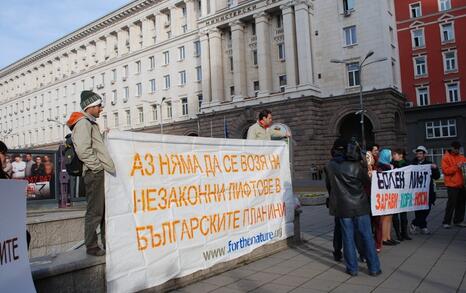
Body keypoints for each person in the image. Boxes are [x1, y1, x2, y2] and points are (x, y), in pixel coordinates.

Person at [66, 90, 115, 256]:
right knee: (95, 211)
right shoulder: (83, 123)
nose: (101, 109)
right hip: (95, 173)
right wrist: (97, 167)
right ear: (90, 107)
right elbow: (83, 149)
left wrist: (103, 135)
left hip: (98, 172)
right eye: (99, 106)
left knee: (103, 211)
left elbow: (93, 145)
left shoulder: (90, 123)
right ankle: (92, 246)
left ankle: (107, 244)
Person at [325, 138, 381, 277]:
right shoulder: (356, 165)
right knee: (367, 236)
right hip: (360, 206)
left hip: (343, 207)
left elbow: (329, 186)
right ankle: (374, 268)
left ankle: (352, 269)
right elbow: (367, 182)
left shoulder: (330, 166)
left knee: (347, 238)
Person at [410, 146, 440, 234]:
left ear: (424, 155)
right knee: (418, 210)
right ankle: (423, 226)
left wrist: (435, 169)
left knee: (427, 209)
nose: (418, 155)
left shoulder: (429, 164)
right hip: (416, 191)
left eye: (420, 153)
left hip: (427, 191)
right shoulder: (413, 164)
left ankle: (415, 223)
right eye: (417, 153)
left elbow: (437, 177)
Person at [376, 149, 399, 247]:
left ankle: (388, 236)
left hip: (390, 194)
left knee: (389, 217)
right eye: (389, 155)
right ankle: (384, 238)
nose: (391, 156)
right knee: (385, 218)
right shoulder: (381, 166)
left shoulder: (389, 165)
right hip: (384, 195)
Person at [441, 141, 466, 228]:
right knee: (451, 204)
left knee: (461, 203)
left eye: (458, 149)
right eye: (456, 149)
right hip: (451, 185)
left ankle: (458, 221)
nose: (457, 150)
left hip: (461, 184)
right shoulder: (446, 157)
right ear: (452, 148)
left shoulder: (462, 157)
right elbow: (445, 171)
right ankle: (446, 222)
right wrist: (456, 167)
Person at [391, 148, 411, 241]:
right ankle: (398, 234)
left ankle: (404, 233)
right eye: (393, 154)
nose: (393, 156)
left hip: (403, 192)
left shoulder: (407, 164)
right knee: (395, 215)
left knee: (404, 215)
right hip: (394, 193)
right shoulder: (391, 164)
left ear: (401, 155)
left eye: (395, 154)